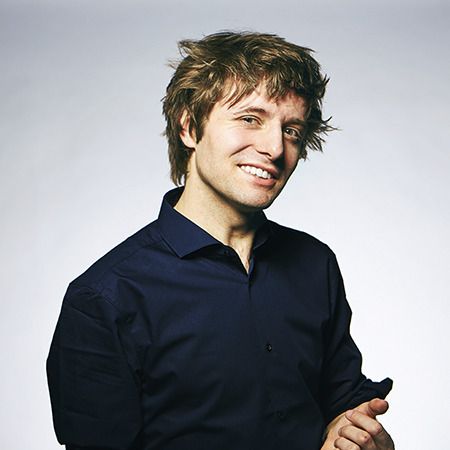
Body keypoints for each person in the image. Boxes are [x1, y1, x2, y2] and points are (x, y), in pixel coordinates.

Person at [47, 31, 394, 450]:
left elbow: (342, 399)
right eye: (250, 119)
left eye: (291, 130)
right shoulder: (105, 298)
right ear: (189, 127)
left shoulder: (314, 263)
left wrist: (354, 433)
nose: (274, 148)